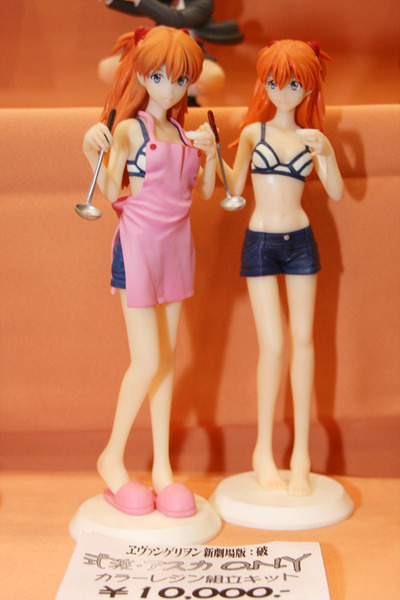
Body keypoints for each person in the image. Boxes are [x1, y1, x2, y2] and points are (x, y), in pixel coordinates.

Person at [83, 25, 216, 516]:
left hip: (177, 250)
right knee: (146, 360)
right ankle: (111, 457)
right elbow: (110, 189)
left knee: (167, 360)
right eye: (158, 76)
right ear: (141, 75)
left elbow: (205, 193)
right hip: (137, 247)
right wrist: (91, 150)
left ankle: (162, 466)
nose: (169, 87)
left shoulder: (183, 133)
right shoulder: (129, 130)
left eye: (180, 79)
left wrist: (211, 154)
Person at [220, 39, 343, 496]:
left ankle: (301, 456)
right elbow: (235, 188)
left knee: (304, 342)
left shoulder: (312, 139)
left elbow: (336, 192)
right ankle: (263, 451)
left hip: (301, 243)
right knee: (272, 345)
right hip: (260, 242)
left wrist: (327, 153)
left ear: (308, 88)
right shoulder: (254, 133)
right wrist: (213, 154)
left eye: (293, 83)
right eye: (273, 82)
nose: (282, 91)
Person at [99, 0, 244, 104]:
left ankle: (173, 88)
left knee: (211, 76)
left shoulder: (203, 3)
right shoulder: (165, 1)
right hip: (157, 57)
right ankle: (151, 91)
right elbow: (138, 7)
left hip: (187, 59)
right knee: (107, 68)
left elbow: (176, 18)